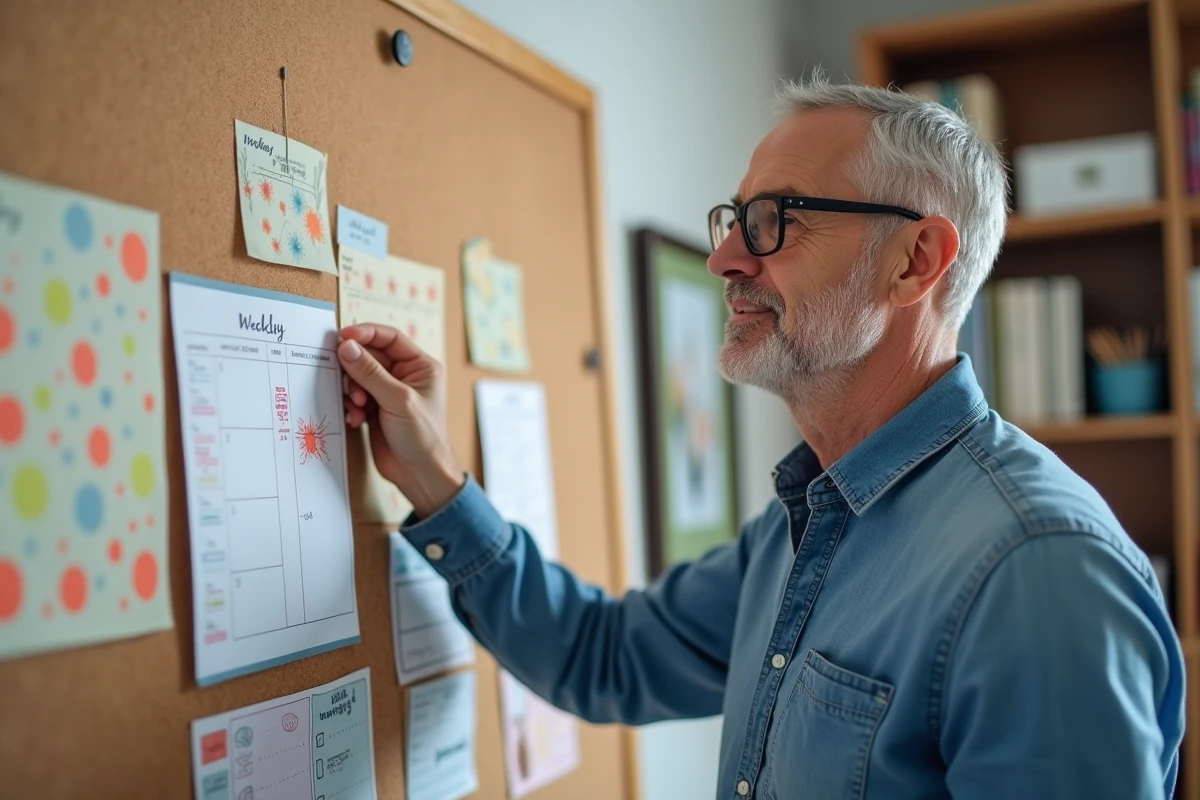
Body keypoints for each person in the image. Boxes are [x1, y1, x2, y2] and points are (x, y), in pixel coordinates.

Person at [336, 75, 1184, 799]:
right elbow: (603, 658)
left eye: (776, 220)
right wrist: (437, 483)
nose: (726, 260)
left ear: (915, 260)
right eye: (734, 220)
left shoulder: (1038, 569)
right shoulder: (807, 524)